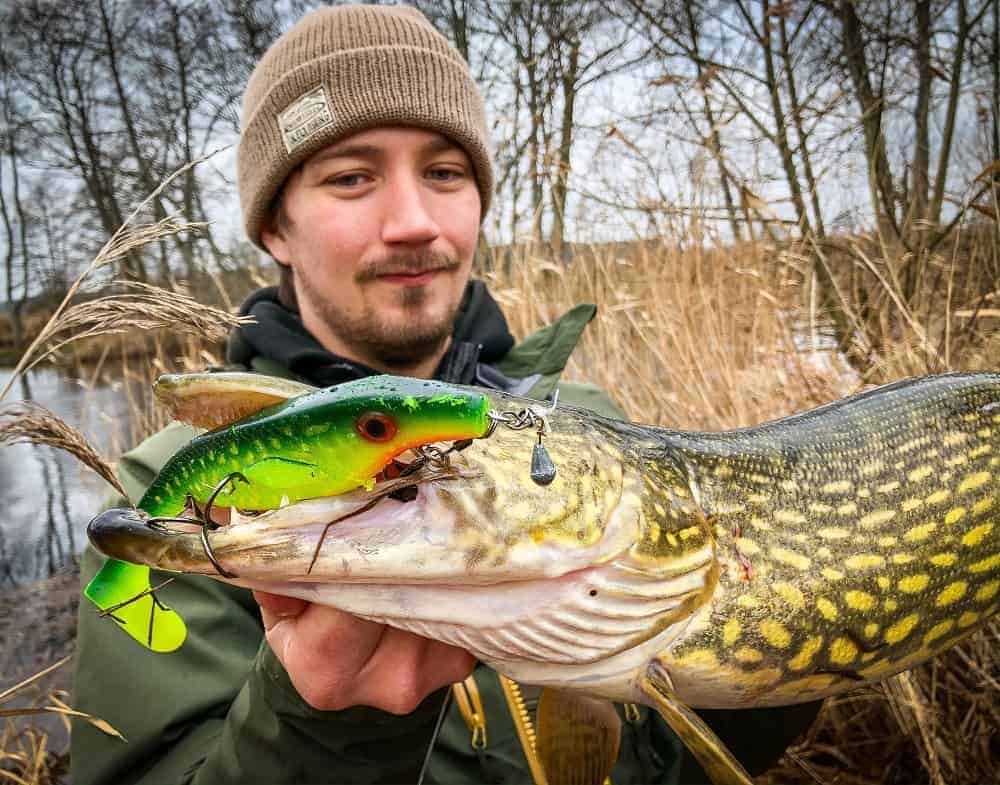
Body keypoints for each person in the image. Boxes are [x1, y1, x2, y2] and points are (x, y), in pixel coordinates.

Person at [70, 5, 819, 783]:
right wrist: (326, 727)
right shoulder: (181, 493)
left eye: (444, 172)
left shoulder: (589, 425)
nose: (413, 221)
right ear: (275, 230)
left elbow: (674, 762)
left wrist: (784, 654)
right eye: (352, 177)